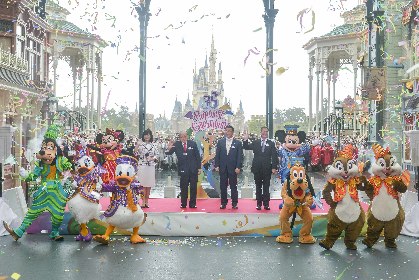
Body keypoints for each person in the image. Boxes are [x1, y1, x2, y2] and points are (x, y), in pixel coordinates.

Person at [243, 127, 278, 210]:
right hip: (257, 168)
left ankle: (266, 204)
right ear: (260, 132)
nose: (265, 133)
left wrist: (274, 167)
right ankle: (258, 204)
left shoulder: (271, 143)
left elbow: (274, 156)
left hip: (267, 168)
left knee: (266, 187)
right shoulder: (256, 142)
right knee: (258, 186)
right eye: (263, 131)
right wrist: (245, 139)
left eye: (266, 131)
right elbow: (246, 147)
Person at [165, 131, 201, 208]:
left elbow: (197, 156)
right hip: (183, 169)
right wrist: (168, 147)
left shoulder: (193, 143)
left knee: (193, 187)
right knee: (183, 187)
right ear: (179, 138)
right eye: (181, 137)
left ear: (187, 136)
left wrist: (199, 168)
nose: (183, 138)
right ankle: (183, 204)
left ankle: (193, 204)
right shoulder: (176, 144)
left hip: (193, 169)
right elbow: (168, 153)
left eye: (184, 136)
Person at [214, 125, 243, 209]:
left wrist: (238, 167)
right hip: (223, 167)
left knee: (233, 186)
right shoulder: (220, 142)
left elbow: (239, 156)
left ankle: (234, 203)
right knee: (223, 186)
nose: (228, 132)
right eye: (226, 130)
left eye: (229, 131)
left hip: (233, 168)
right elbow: (217, 155)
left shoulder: (238, 143)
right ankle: (223, 202)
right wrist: (217, 165)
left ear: (232, 132)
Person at [135, 129, 158, 208]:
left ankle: (147, 201)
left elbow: (157, 155)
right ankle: (143, 201)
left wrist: (153, 158)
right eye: (145, 135)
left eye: (148, 135)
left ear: (151, 136)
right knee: (143, 185)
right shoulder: (141, 145)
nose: (147, 136)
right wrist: (137, 145)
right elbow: (135, 153)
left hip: (151, 166)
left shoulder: (154, 145)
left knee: (149, 185)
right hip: (142, 166)